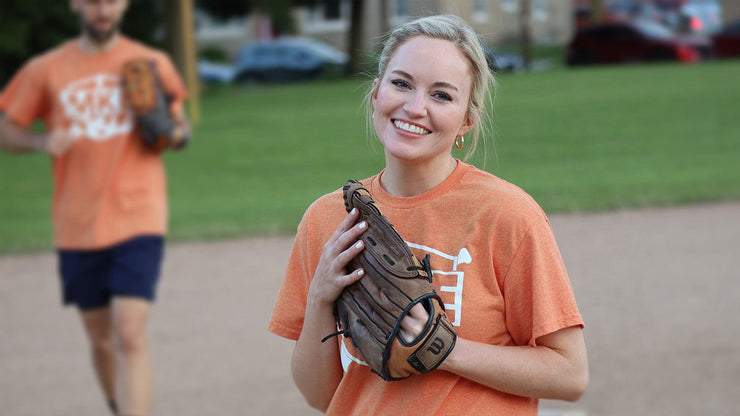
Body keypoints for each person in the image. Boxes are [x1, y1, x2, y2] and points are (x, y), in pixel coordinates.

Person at [268, 14, 588, 415]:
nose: (415, 107)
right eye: (401, 83)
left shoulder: (506, 215)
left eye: (442, 95)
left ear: (466, 121)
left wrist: (445, 349)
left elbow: (570, 374)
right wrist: (319, 298)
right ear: (375, 94)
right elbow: (321, 397)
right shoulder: (329, 218)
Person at [0, 1, 189, 415]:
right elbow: (7, 127)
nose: (102, 8)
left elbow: (180, 128)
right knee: (101, 341)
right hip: (76, 226)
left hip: (139, 218)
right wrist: (39, 141)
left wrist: (166, 130)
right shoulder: (46, 69)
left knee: (129, 336)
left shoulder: (149, 62)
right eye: (92, 0)